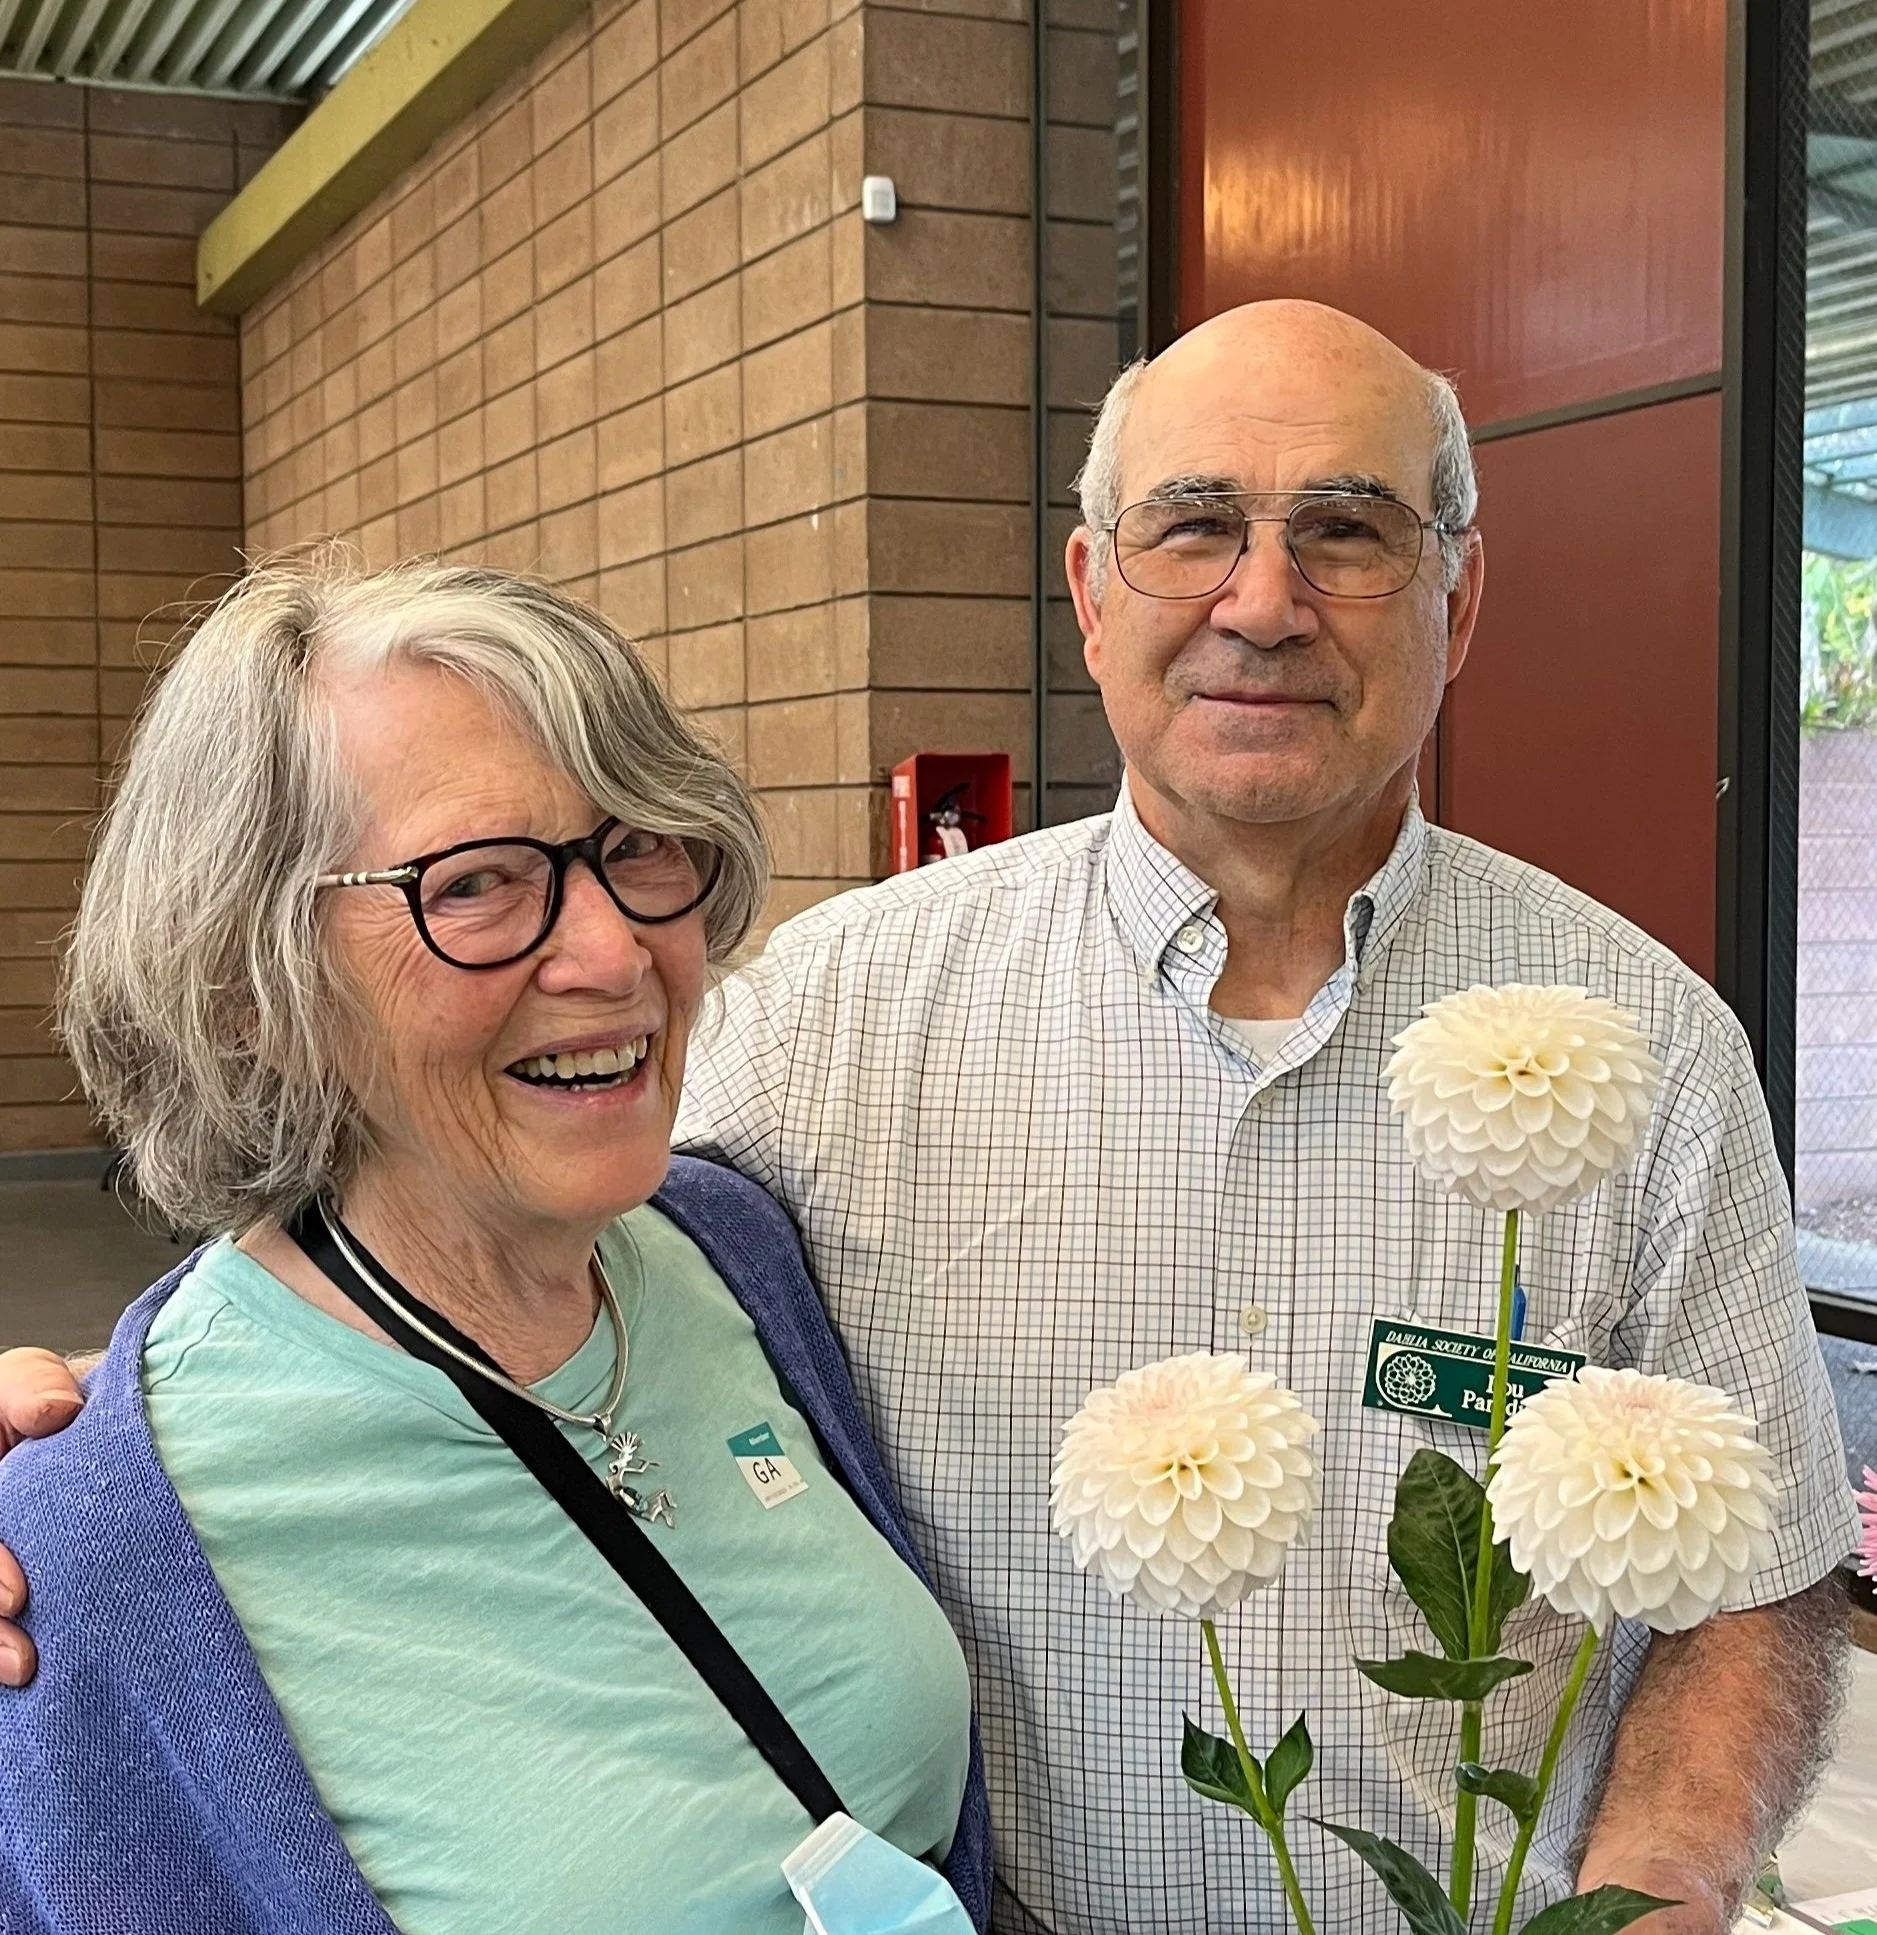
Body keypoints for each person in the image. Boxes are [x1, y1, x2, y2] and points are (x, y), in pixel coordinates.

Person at [0, 301, 1857, 1934]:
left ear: (1461, 592)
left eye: (1350, 532)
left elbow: (1760, 1572)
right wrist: (97, 1437)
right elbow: (431, 1204)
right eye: (1193, 525)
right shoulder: (830, 1014)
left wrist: (1666, 1889)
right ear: (1088, 590)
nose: (1263, 600)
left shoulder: (1649, 1050)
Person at [0, 558, 990, 1935]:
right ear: (248, 989)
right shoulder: (93, 1546)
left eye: (638, 845)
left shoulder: (731, 1251)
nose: (614, 949)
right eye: (474, 884)